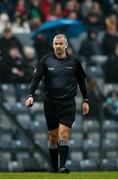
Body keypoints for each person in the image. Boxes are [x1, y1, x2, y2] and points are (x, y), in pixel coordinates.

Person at [25, 34, 89, 173]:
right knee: (53, 136)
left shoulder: (74, 62)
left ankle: (62, 166)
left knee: (64, 133)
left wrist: (85, 100)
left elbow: (82, 82)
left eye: (61, 44)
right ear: (53, 45)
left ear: (66, 45)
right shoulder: (45, 60)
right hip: (50, 103)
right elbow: (36, 79)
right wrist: (30, 95)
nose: (58, 46)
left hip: (67, 103)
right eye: (56, 44)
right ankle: (54, 167)